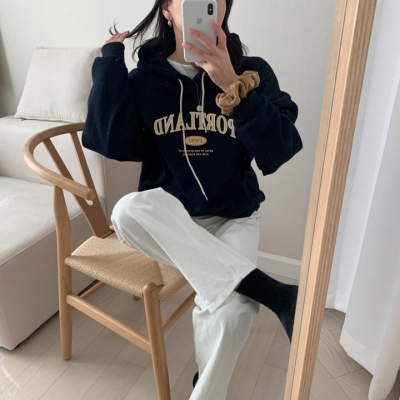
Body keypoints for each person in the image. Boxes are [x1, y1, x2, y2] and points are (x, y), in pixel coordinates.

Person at [82, 0, 303, 398]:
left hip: (234, 216)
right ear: (167, 10)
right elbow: (109, 141)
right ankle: (274, 293)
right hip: (171, 221)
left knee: (233, 315)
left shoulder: (251, 72)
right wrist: (110, 61)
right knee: (127, 210)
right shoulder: (145, 81)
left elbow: (281, 149)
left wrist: (232, 84)